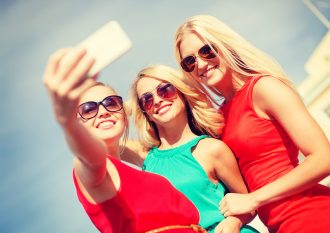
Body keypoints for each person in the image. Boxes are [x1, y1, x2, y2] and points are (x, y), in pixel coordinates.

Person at [174, 14, 330, 232]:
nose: (200, 63)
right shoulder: (218, 118)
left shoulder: (263, 88)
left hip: (315, 218)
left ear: (224, 45)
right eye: (189, 61)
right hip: (280, 226)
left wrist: (254, 199)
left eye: (207, 50)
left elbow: (324, 160)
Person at [42, 47, 209, 233]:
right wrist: (67, 121)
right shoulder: (93, 167)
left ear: (123, 111)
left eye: (111, 103)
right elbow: (89, 156)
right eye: (88, 109)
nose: (103, 111)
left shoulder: (138, 167)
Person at [123, 64, 259, 233]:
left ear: (182, 93)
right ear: (144, 112)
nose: (157, 100)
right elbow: (95, 138)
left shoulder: (211, 149)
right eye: (147, 100)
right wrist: (131, 105)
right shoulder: (146, 157)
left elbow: (248, 203)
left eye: (165, 89)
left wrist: (234, 222)